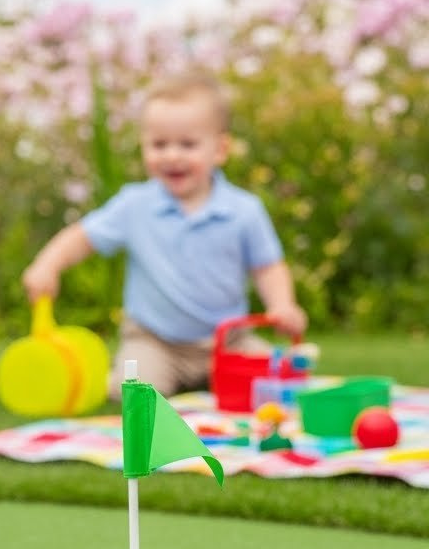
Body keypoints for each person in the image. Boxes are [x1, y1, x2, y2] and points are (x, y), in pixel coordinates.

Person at [22, 71, 307, 398]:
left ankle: (213, 378)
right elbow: (82, 236)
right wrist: (47, 265)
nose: (172, 155)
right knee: (134, 391)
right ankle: (147, 375)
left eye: (187, 144)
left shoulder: (244, 210)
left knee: (277, 381)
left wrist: (283, 305)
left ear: (220, 149)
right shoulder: (134, 205)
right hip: (156, 341)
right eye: (159, 144)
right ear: (144, 146)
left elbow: (267, 266)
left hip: (228, 341)